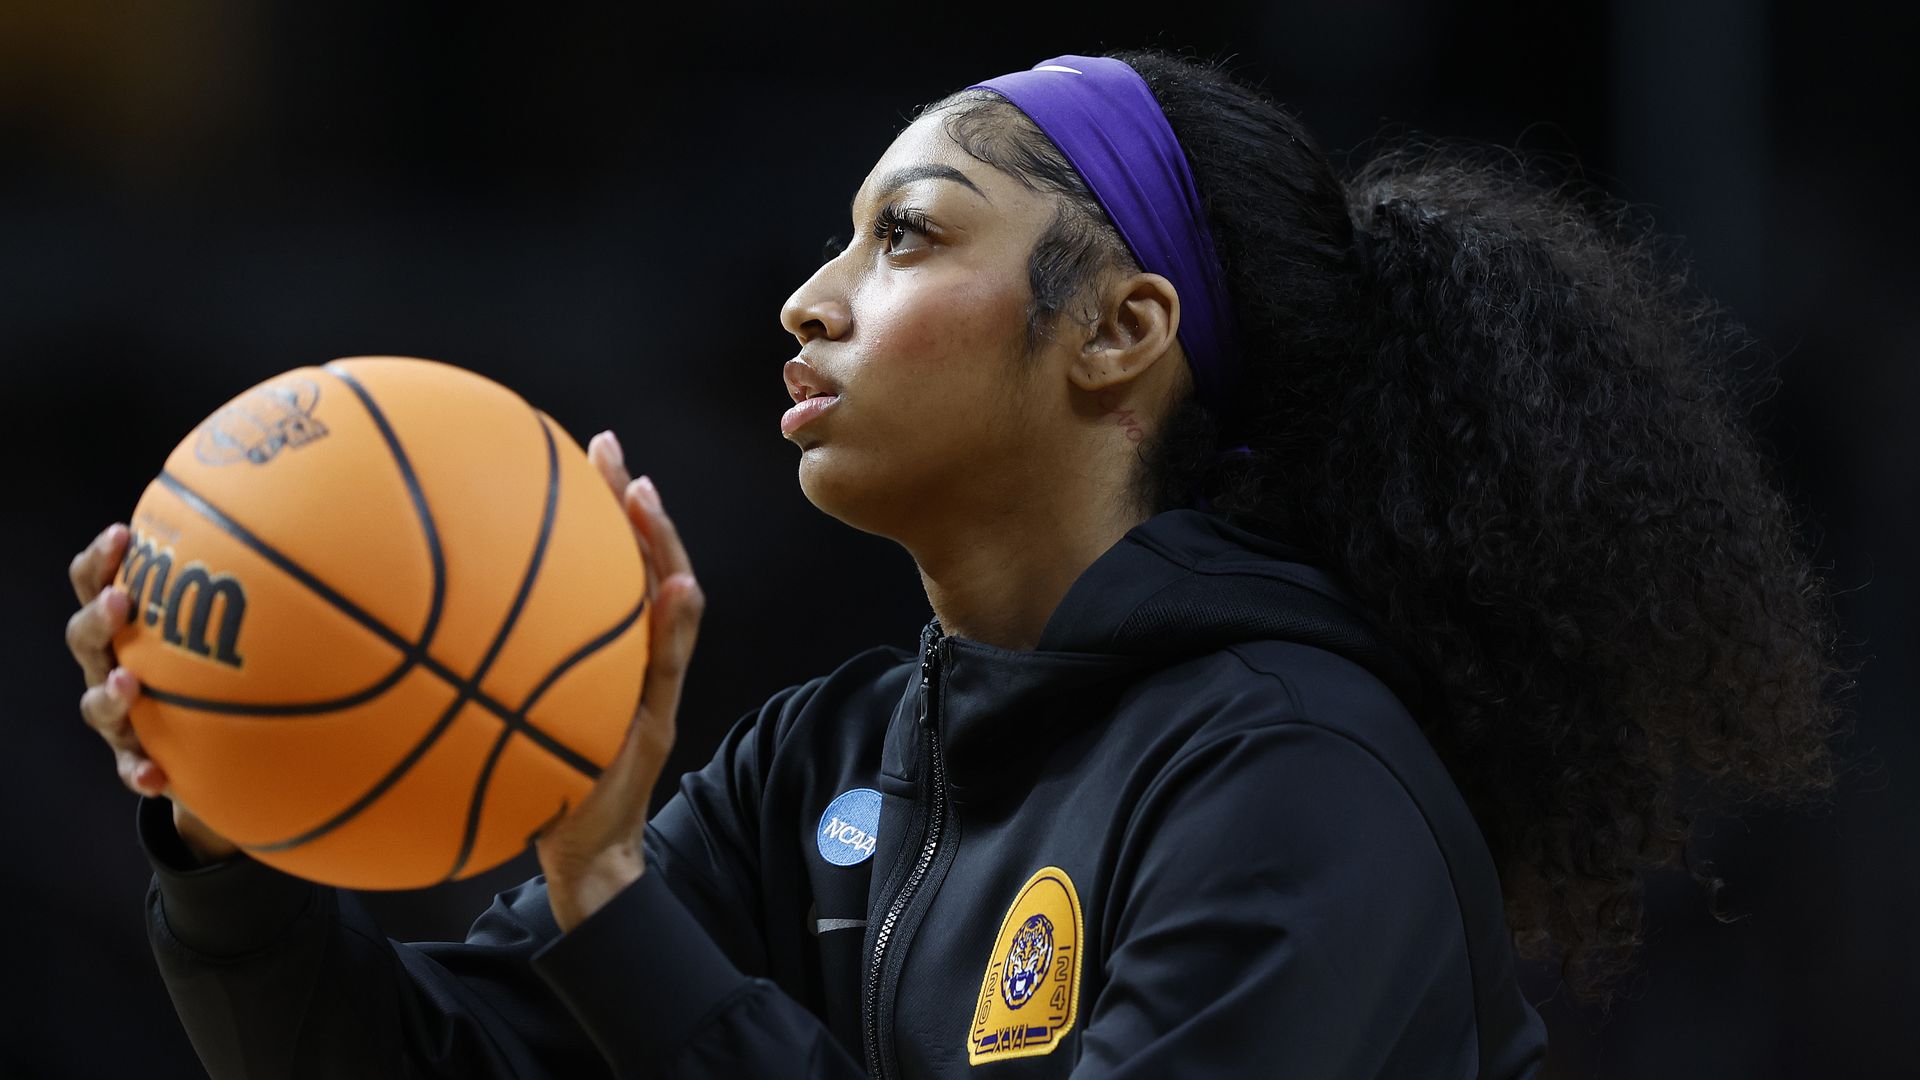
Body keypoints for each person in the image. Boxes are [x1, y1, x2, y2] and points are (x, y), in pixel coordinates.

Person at [64, 48, 1853, 1079]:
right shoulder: (825, 768)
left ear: (1118, 331)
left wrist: (618, 911)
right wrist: (228, 809)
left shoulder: (1300, 788)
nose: (808, 298)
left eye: (904, 234)